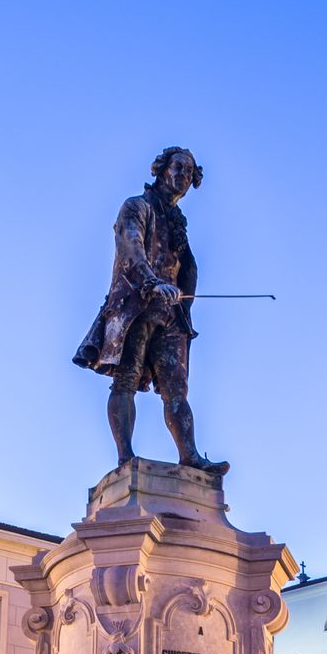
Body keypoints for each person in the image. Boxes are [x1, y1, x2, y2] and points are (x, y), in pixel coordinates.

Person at [73, 147, 227, 473]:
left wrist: (185, 304)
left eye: (190, 172)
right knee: (126, 379)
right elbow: (130, 247)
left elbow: (186, 268)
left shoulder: (177, 223)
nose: (184, 176)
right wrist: (152, 282)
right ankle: (125, 457)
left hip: (171, 313)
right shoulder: (136, 206)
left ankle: (190, 455)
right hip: (136, 305)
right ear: (161, 169)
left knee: (177, 389)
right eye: (179, 168)